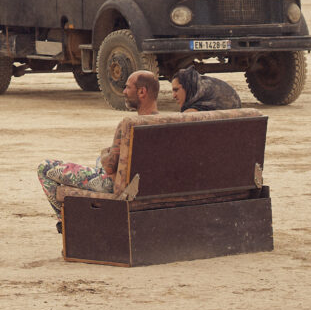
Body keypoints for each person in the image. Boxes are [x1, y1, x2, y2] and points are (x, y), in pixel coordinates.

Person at [36, 69, 164, 215]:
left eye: (128, 87)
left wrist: (105, 153)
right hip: (148, 187)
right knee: (99, 160)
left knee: (44, 168)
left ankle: (63, 220)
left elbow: (109, 167)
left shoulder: (129, 126)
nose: (124, 91)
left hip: (113, 185)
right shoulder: (167, 126)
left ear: (142, 92)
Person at [172, 65, 248, 112]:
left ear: (187, 87)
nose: (174, 95)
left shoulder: (193, 112)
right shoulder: (204, 86)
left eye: (176, 90)